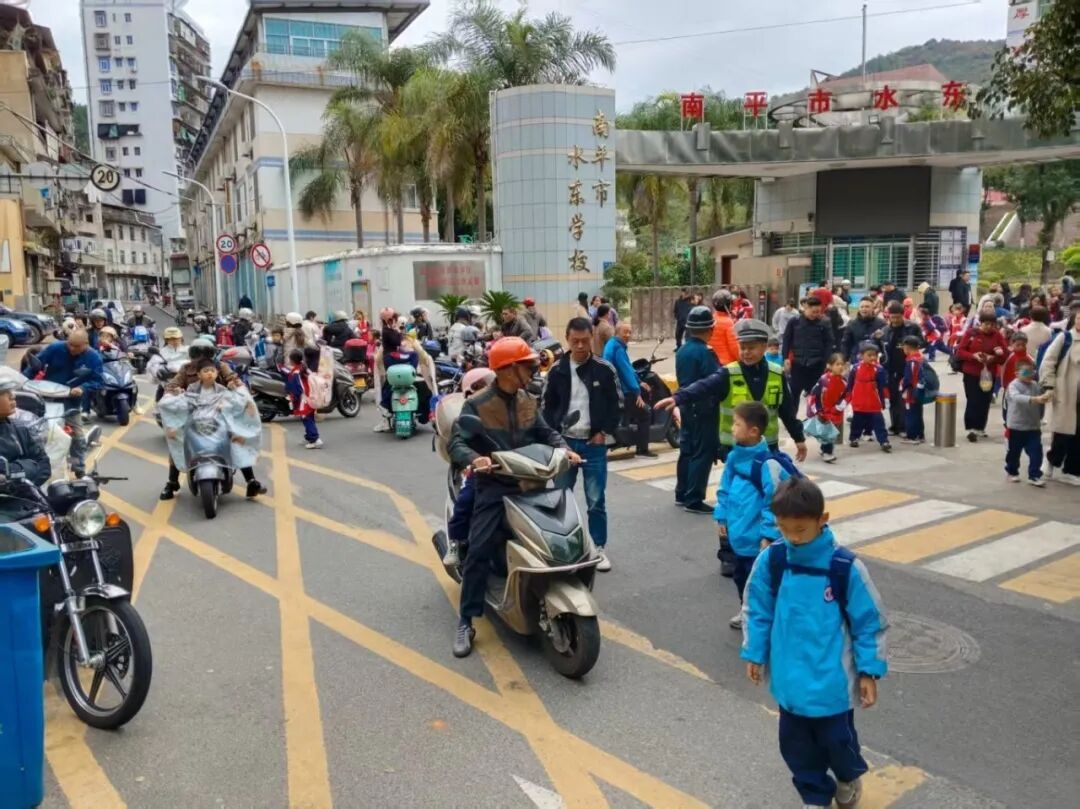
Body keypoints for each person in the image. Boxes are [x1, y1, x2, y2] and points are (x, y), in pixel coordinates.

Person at [742, 477, 888, 809]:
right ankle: (815, 795)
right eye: (784, 528)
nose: (792, 537)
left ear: (822, 520)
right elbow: (757, 608)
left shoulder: (844, 567)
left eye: (800, 529)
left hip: (832, 682)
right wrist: (755, 652)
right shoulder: (774, 560)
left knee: (838, 741)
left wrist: (869, 671)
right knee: (795, 748)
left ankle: (848, 776)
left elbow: (869, 622)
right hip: (790, 681)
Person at [448, 337, 580, 658]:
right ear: (508, 369)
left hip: (533, 483)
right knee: (478, 550)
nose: (533, 370)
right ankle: (466, 620)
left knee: (560, 535)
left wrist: (563, 448)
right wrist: (474, 459)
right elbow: (457, 443)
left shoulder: (528, 400)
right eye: (528, 365)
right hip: (495, 487)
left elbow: (546, 432)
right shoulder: (477, 405)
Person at [542, 317, 621, 571]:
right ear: (567, 339)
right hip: (564, 444)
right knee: (560, 499)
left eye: (584, 341)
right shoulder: (556, 370)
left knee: (596, 501)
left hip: (593, 444)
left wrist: (604, 432)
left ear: (591, 339)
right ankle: (563, 549)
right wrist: (555, 439)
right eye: (575, 341)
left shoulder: (604, 369)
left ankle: (598, 548)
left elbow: (617, 404)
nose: (579, 346)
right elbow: (546, 408)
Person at [714, 401, 790, 629]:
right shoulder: (734, 458)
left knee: (760, 582)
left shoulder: (767, 465)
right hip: (738, 536)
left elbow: (773, 503)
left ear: (753, 431)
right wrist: (721, 516)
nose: (732, 428)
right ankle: (747, 610)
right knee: (741, 579)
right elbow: (724, 489)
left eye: (737, 424)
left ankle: (766, 618)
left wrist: (768, 535)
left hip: (758, 541)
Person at [160, 339, 266, 499]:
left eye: (205, 353)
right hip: (193, 416)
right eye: (197, 353)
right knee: (178, 443)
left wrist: (238, 389)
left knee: (236, 439)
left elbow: (234, 380)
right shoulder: (186, 369)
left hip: (220, 416)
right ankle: (172, 483)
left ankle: (251, 481)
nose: (201, 357)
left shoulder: (221, 366)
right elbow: (172, 385)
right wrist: (173, 392)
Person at [33, 330, 102, 476]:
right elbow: (35, 366)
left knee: (77, 436)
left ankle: (78, 466)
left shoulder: (94, 358)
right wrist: (22, 382)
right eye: (69, 344)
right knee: (34, 431)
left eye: (76, 346)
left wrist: (83, 388)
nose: (71, 348)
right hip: (46, 397)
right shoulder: (55, 348)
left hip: (71, 402)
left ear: (86, 344)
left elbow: (98, 381)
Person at [673, 305, 720, 513]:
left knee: (687, 450)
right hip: (703, 407)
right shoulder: (706, 352)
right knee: (703, 452)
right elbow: (714, 380)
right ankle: (694, 498)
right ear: (710, 329)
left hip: (685, 405)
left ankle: (681, 493)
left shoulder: (682, 350)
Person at [603, 322, 655, 459]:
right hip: (623, 392)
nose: (628, 335)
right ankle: (642, 450)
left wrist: (640, 382)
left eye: (630, 332)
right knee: (645, 414)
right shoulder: (618, 348)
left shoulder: (612, 345)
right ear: (617, 332)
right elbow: (625, 372)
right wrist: (637, 392)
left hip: (613, 391)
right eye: (625, 332)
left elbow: (629, 368)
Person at [1039, 317, 1080, 484]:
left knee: (1078, 436)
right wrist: (1048, 384)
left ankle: (1072, 470)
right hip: (1067, 392)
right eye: (1079, 318)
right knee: (1063, 432)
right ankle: (1052, 459)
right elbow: (1048, 361)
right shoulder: (1065, 338)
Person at [955, 312, 1007, 442]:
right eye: (986, 324)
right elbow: (960, 351)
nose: (989, 327)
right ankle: (971, 428)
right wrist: (973, 356)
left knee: (985, 400)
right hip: (971, 372)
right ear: (981, 323)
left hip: (988, 374)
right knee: (973, 399)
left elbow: (1004, 355)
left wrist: (993, 357)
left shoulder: (997, 335)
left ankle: (980, 427)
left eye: (992, 325)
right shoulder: (971, 333)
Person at [782, 296, 834, 410]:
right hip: (798, 363)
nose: (815, 314)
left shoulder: (824, 323)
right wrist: (785, 358)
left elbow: (829, 343)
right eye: (813, 311)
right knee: (793, 394)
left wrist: (827, 361)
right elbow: (786, 340)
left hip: (817, 364)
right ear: (806, 307)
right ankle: (792, 418)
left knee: (816, 395)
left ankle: (814, 418)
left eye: (818, 312)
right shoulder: (794, 322)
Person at [1005, 358, 1050, 486]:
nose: (1029, 375)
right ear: (1017, 373)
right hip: (1016, 427)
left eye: (1032, 372)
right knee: (1014, 453)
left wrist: (1047, 395)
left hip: (1033, 427)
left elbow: (1042, 397)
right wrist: (1034, 399)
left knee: (1036, 452)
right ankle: (1012, 471)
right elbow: (1016, 398)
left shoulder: (1035, 385)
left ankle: (1034, 475)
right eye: (1026, 372)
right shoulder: (1013, 386)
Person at [879, 302, 923, 435]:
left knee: (906, 398)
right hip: (891, 369)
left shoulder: (912, 327)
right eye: (892, 317)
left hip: (908, 368)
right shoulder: (885, 330)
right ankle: (895, 426)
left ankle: (906, 427)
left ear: (903, 315)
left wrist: (911, 342)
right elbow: (880, 348)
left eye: (898, 317)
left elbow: (922, 342)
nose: (895, 320)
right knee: (893, 398)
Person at [0, 377, 51, 487]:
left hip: (23, 494)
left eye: (11, 392)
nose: (12, 396)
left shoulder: (20, 429)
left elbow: (43, 465)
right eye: (4, 392)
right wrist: (28, 467)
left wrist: (17, 478)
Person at [845, 342, 892, 452]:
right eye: (869, 355)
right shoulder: (855, 368)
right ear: (861, 356)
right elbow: (850, 385)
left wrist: (884, 400)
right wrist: (847, 398)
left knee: (879, 422)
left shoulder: (879, 369)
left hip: (873, 401)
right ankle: (854, 438)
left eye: (874, 355)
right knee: (857, 422)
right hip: (859, 401)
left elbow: (882, 387)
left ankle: (884, 441)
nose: (872, 357)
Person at [813, 353, 847, 464]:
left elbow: (847, 396)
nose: (840, 367)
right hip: (824, 411)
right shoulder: (823, 379)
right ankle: (827, 452)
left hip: (836, 411)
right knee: (828, 432)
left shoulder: (843, 381)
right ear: (830, 366)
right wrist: (817, 409)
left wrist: (840, 406)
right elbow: (815, 394)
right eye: (837, 364)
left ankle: (824, 449)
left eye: (842, 364)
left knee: (831, 432)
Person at [285, 349, 323, 449]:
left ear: (292, 361)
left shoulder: (296, 372)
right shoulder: (304, 368)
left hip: (304, 399)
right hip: (311, 396)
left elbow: (298, 388)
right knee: (309, 417)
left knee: (307, 418)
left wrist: (294, 398)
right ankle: (309, 436)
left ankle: (315, 439)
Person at [899, 336, 929, 444]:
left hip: (911, 391)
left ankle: (912, 436)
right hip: (920, 390)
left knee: (910, 413)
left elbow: (909, 378)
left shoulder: (912, 361)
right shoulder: (921, 357)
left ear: (907, 347)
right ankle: (920, 435)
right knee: (918, 412)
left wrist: (902, 387)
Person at [841, 298, 886, 363]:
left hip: (876, 361)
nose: (864, 309)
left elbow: (885, 344)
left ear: (873, 308)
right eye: (862, 307)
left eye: (867, 307)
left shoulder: (881, 323)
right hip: (857, 361)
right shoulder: (852, 324)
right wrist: (844, 359)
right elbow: (846, 344)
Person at [709, 289, 740, 366]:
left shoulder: (711, 318)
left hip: (712, 362)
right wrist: (742, 360)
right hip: (727, 364)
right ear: (729, 304)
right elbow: (734, 347)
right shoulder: (728, 322)